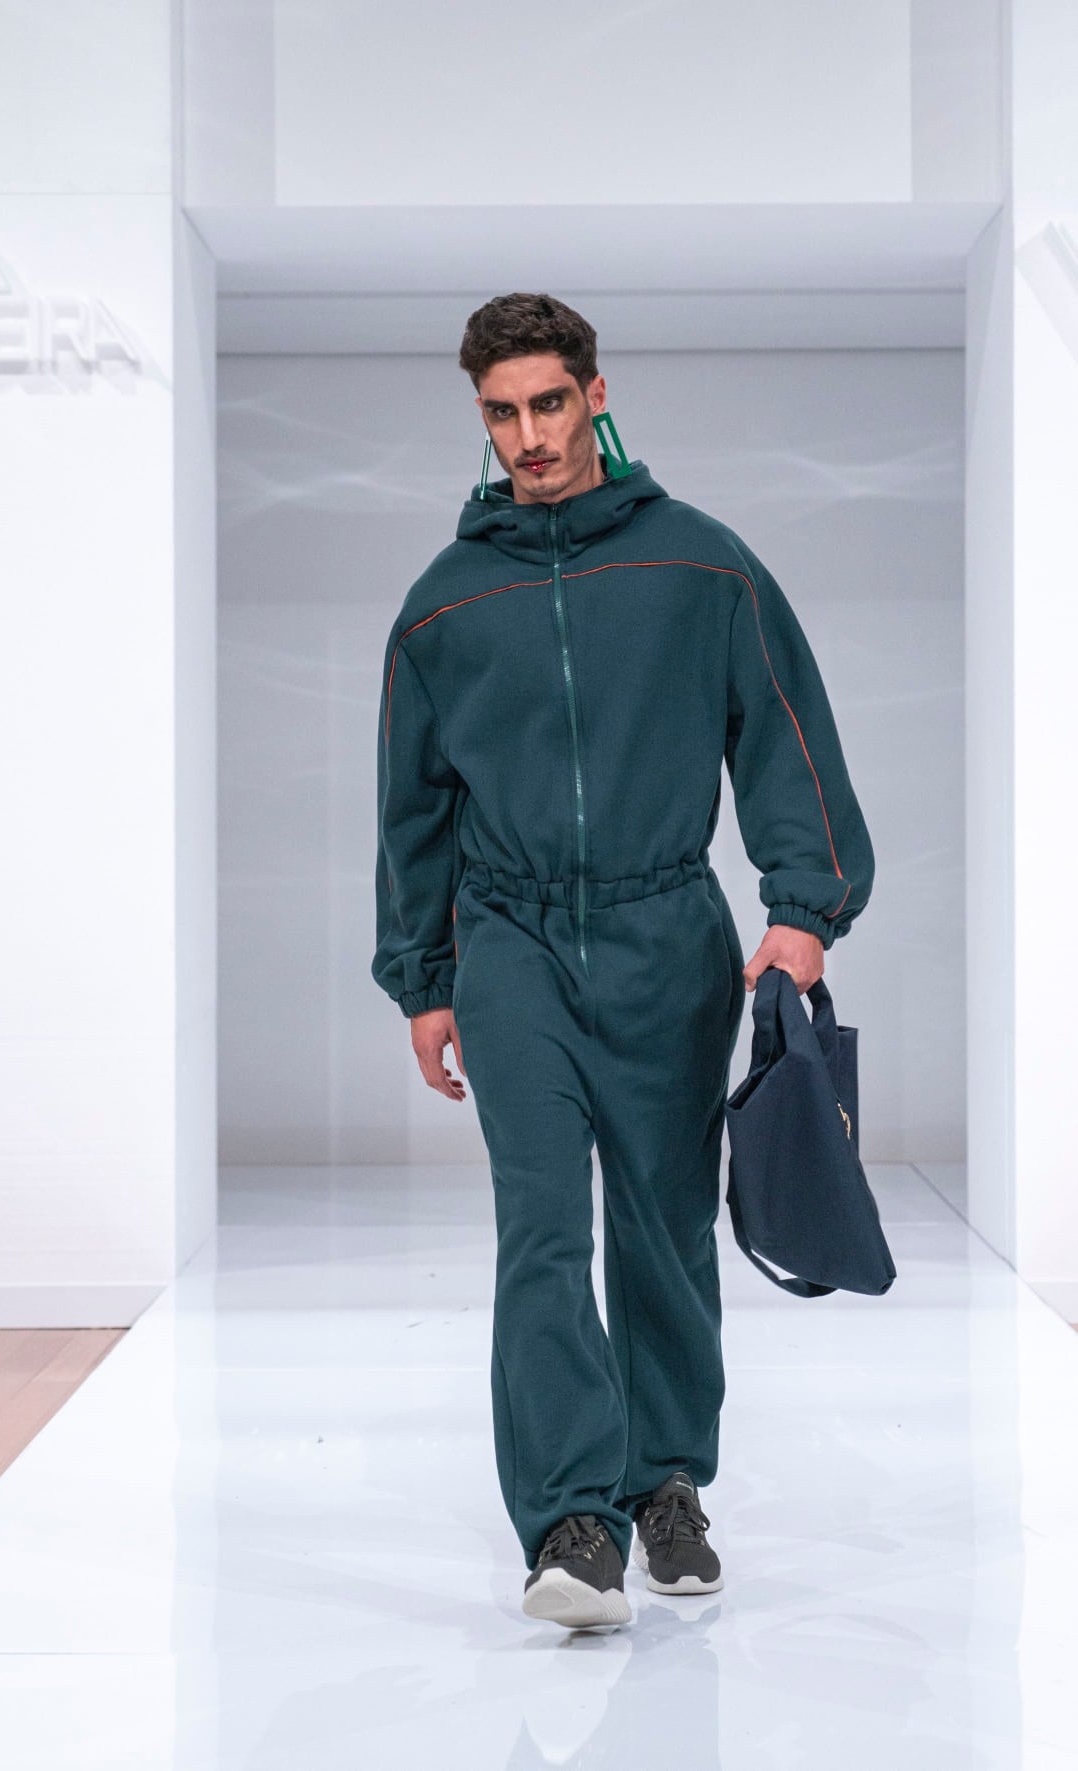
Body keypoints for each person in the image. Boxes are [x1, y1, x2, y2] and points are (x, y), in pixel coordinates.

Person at [371, 292, 875, 1631]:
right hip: (511, 942)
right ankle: (571, 1523)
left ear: (595, 395)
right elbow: (412, 810)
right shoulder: (443, 605)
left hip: (667, 935)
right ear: (481, 418)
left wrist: (804, 904)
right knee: (542, 1228)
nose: (528, 436)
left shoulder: (700, 567)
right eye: (501, 413)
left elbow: (783, 732)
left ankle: (663, 1483)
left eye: (548, 403)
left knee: (662, 1225)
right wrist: (423, 977)